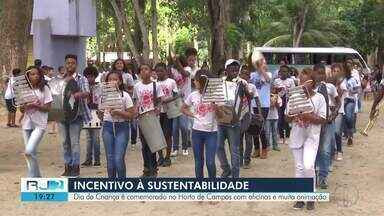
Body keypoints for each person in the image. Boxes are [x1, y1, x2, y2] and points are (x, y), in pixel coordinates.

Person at [287, 68, 327, 211]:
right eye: (300, 81)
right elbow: (287, 117)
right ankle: (300, 198)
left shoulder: (319, 98)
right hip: (297, 136)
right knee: (299, 168)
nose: (302, 84)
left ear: (313, 83)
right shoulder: (294, 97)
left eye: (306, 82)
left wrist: (308, 116)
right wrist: (293, 114)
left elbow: (323, 119)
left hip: (311, 137)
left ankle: (311, 196)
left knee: (308, 166)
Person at [181, 69, 218, 178]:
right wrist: (193, 115)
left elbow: (221, 115)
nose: (194, 82)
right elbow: (183, 109)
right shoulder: (193, 95)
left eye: (196, 80)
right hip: (196, 132)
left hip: (211, 133)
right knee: (198, 162)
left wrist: (217, 108)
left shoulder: (214, 95)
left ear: (202, 82)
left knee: (210, 162)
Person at [59, 54, 91, 177]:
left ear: (76, 65)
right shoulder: (60, 79)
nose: (70, 65)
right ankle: (67, 166)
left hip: (77, 115)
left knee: (74, 142)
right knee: (64, 142)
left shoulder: (82, 79)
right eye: (68, 63)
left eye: (72, 63)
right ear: (65, 64)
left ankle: (75, 168)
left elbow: (87, 93)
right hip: (62, 115)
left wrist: (77, 94)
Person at [99, 71, 135, 178]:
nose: (112, 81)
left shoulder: (125, 96)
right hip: (108, 127)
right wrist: (103, 115)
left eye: (115, 79)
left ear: (119, 82)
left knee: (118, 158)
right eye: (110, 79)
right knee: (110, 158)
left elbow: (131, 115)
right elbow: (101, 114)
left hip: (122, 127)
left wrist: (119, 113)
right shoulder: (103, 97)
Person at [216, 59, 248, 178]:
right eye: (232, 68)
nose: (235, 70)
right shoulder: (220, 82)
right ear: (226, 70)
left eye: (236, 68)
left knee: (234, 150)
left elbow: (246, 99)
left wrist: (245, 89)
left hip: (234, 121)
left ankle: (235, 176)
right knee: (218, 146)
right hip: (220, 120)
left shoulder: (241, 83)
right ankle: (226, 168)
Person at [20, 66, 52, 177]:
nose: (35, 76)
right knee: (30, 154)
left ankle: (31, 178)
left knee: (28, 151)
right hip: (26, 124)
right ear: (27, 76)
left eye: (37, 74)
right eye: (32, 74)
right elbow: (21, 109)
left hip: (40, 125)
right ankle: (37, 178)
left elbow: (48, 108)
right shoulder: (24, 90)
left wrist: (36, 106)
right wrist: (25, 105)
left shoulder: (45, 89)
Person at [134, 63, 165, 177]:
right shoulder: (137, 86)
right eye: (141, 69)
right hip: (142, 117)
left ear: (151, 72)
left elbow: (161, 99)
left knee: (152, 144)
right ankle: (146, 168)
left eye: (146, 69)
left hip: (152, 117)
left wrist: (158, 108)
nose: (143, 71)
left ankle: (153, 169)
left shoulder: (155, 85)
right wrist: (136, 110)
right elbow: (136, 100)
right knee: (144, 145)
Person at [313, 63, 340, 189]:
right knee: (314, 149)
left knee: (325, 150)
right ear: (313, 73)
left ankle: (323, 177)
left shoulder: (330, 87)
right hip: (314, 122)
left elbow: (338, 102)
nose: (320, 75)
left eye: (322, 73)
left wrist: (334, 114)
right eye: (318, 73)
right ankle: (313, 174)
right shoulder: (310, 88)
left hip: (328, 122)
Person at [156, 62, 179, 167]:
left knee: (167, 134)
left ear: (165, 70)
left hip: (168, 111)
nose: (159, 73)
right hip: (157, 112)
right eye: (157, 71)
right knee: (158, 135)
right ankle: (160, 156)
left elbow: (176, 95)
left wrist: (167, 100)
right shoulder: (154, 83)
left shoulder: (171, 82)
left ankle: (167, 157)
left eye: (161, 70)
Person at [250, 52, 271, 159]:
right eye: (260, 62)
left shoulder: (269, 74)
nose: (262, 64)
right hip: (253, 104)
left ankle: (264, 148)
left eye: (263, 62)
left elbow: (267, 79)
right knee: (254, 126)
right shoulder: (252, 75)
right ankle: (256, 148)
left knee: (261, 126)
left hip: (264, 105)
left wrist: (261, 68)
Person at [238, 66, 260, 169]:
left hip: (249, 116)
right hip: (238, 116)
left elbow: (256, 99)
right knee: (239, 139)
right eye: (243, 73)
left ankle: (247, 160)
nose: (244, 76)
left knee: (249, 140)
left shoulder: (252, 86)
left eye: (247, 74)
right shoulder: (235, 85)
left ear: (249, 76)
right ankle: (240, 160)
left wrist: (259, 113)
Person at [81, 66, 101, 167]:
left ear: (95, 76)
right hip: (86, 112)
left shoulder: (99, 87)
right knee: (88, 138)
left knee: (96, 137)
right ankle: (88, 159)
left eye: (92, 76)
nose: (90, 79)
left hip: (96, 113)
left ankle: (97, 159)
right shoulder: (83, 87)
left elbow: (101, 100)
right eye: (88, 77)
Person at [274, 65, 296, 144]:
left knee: (286, 118)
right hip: (279, 101)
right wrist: (278, 89)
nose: (284, 73)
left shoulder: (291, 81)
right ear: (279, 72)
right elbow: (274, 91)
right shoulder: (276, 81)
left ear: (288, 73)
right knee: (280, 118)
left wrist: (288, 91)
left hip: (287, 100)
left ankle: (287, 136)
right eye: (282, 71)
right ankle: (280, 136)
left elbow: (293, 91)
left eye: (285, 71)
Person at [343, 61, 360, 146]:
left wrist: (351, 91)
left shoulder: (353, 79)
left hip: (350, 100)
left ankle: (350, 136)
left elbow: (357, 89)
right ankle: (346, 133)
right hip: (342, 101)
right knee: (344, 118)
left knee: (349, 117)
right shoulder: (341, 79)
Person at [332, 63, 346, 161]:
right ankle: (333, 151)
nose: (335, 73)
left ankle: (339, 151)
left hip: (339, 111)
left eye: (338, 71)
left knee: (337, 131)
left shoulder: (343, 84)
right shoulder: (328, 83)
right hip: (329, 111)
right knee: (330, 132)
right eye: (334, 71)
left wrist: (336, 85)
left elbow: (338, 97)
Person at [266, 85, 282, 151]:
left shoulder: (278, 97)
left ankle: (275, 146)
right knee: (267, 132)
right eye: (271, 89)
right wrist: (270, 101)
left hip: (275, 117)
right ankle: (268, 146)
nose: (272, 90)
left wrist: (275, 101)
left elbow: (279, 107)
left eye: (274, 89)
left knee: (275, 132)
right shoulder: (266, 96)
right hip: (267, 117)